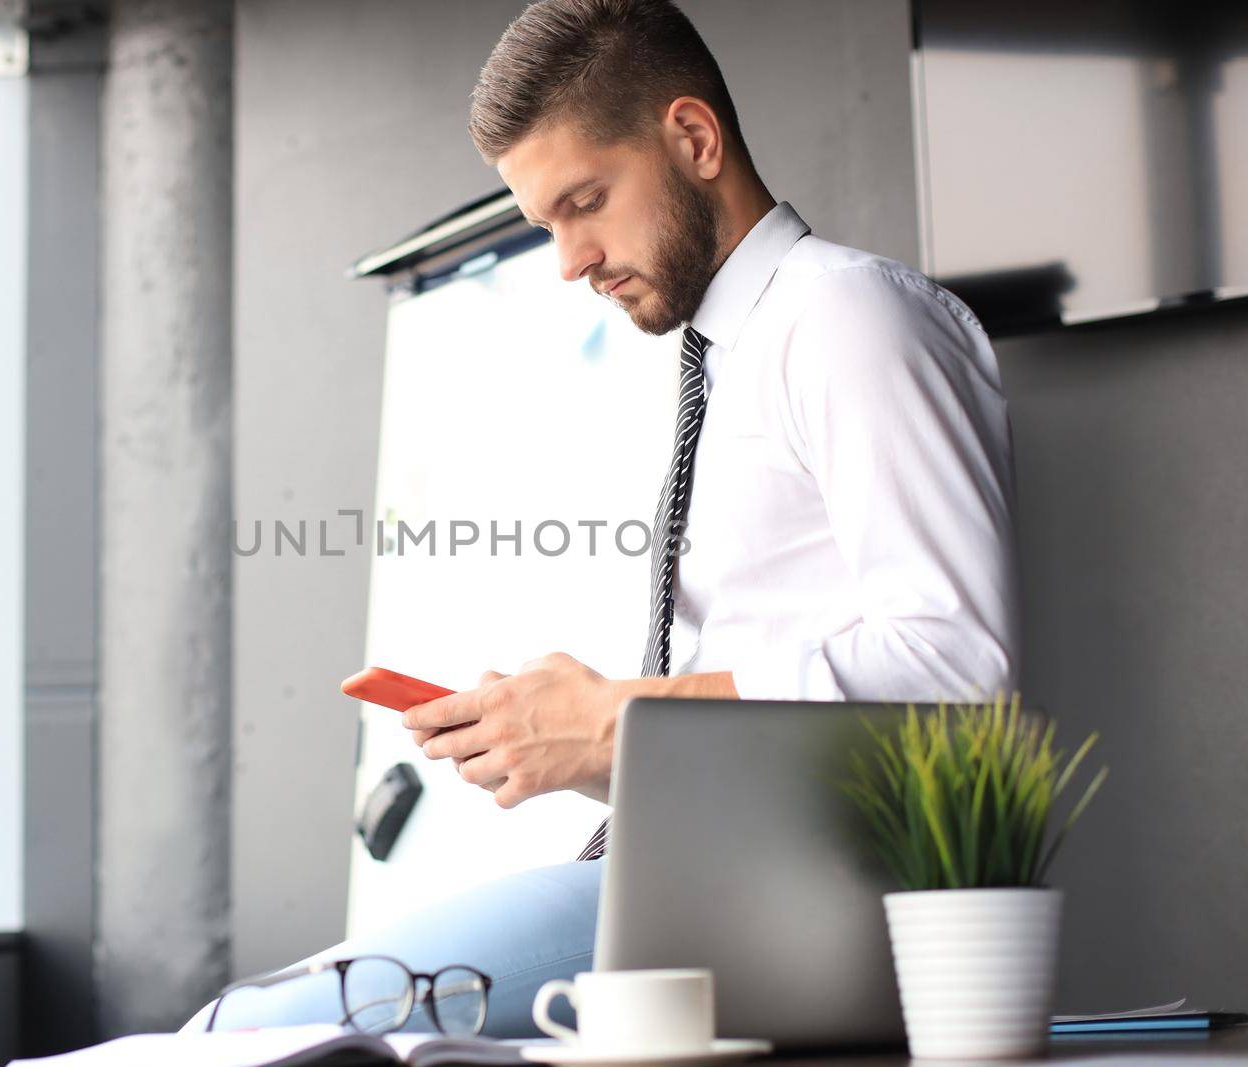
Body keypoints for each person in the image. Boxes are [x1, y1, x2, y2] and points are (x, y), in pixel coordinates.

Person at [184, 0, 1017, 1037]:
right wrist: (570, 742)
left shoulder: (847, 316)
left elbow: (957, 668)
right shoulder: (730, 353)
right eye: (547, 225)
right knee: (245, 1023)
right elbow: (771, 711)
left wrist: (619, 715)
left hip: (767, 895)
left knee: (245, 1033)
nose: (570, 260)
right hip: (689, 871)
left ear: (694, 138)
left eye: (587, 201)